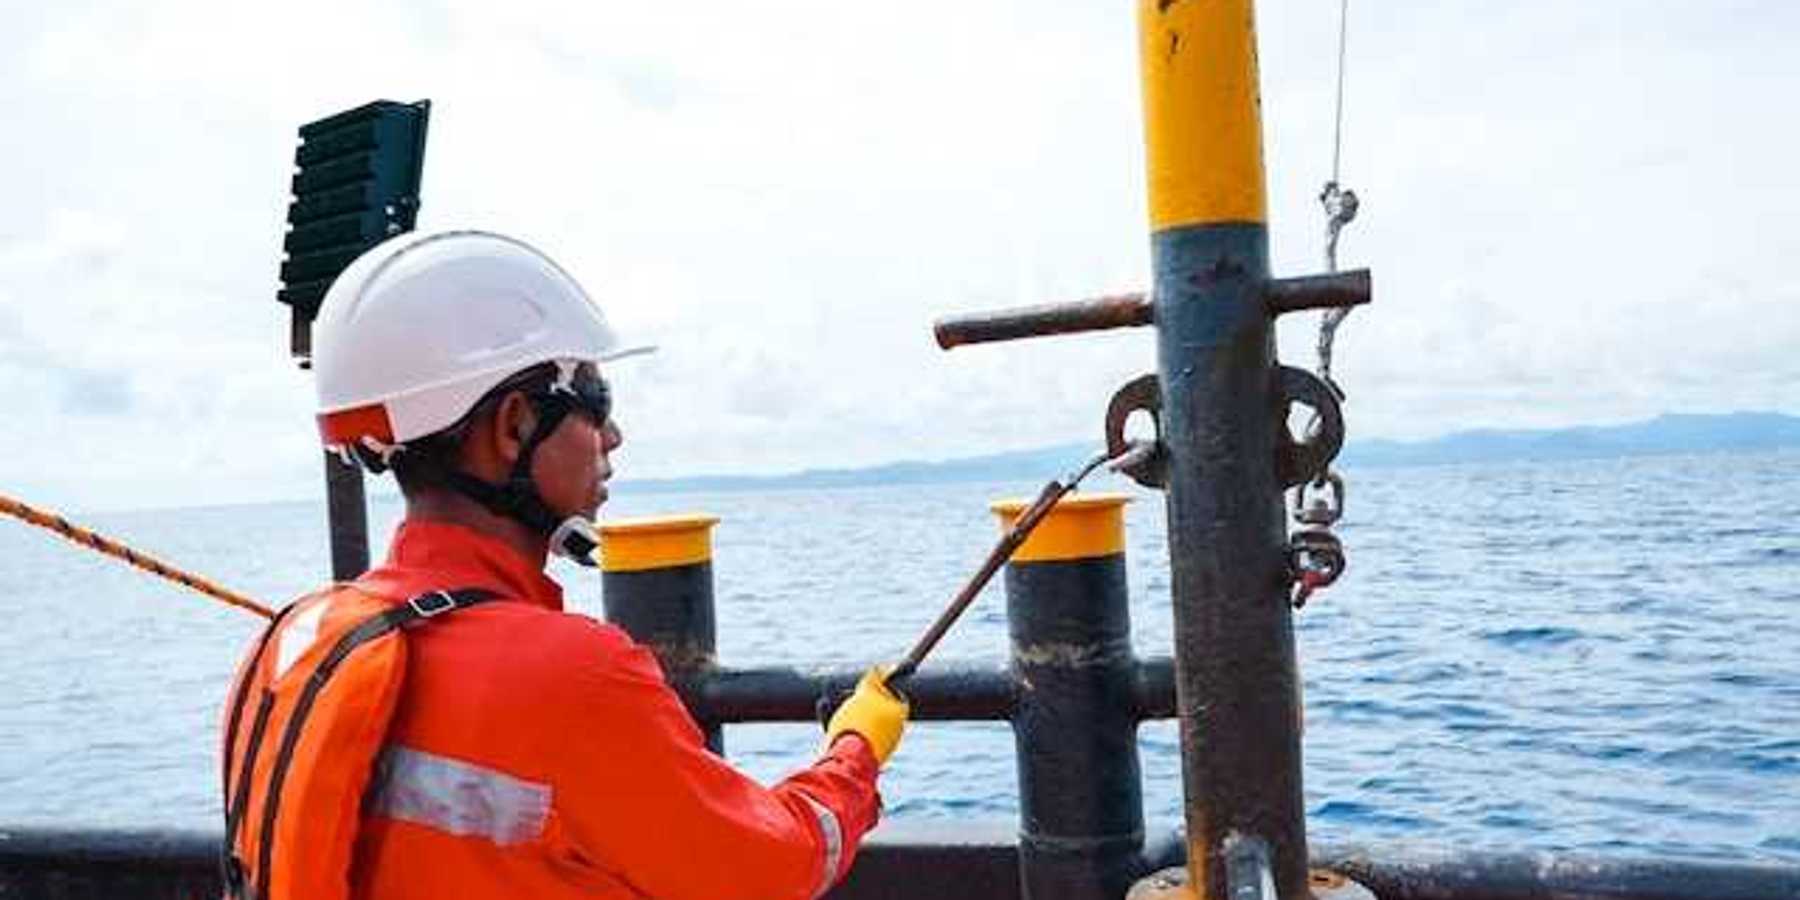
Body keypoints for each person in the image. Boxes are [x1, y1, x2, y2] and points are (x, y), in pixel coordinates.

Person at [219, 229, 910, 900]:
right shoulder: (570, 675)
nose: (612, 435)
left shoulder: (285, 647)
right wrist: (855, 751)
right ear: (513, 425)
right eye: (594, 403)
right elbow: (773, 868)